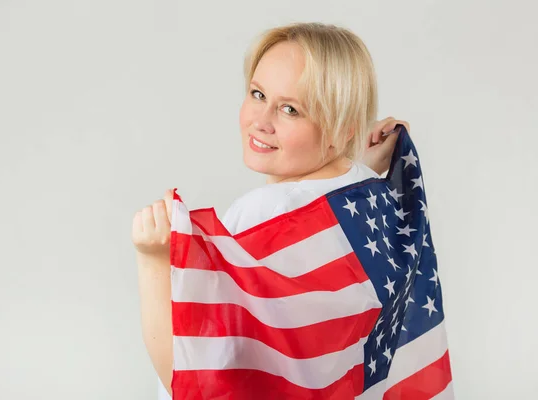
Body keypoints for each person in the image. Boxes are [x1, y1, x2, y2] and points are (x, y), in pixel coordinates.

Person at [132, 22, 410, 399]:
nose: (260, 122)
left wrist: (153, 259)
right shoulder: (365, 201)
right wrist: (361, 163)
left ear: (341, 128)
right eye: (258, 93)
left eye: (290, 109)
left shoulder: (264, 217)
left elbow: (193, 381)